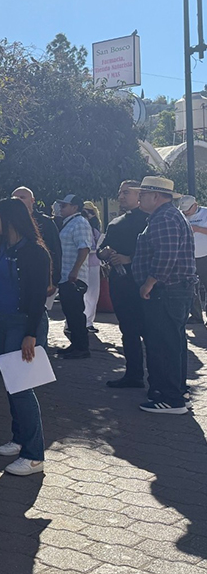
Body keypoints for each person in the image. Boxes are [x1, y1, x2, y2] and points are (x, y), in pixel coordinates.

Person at [0, 198, 50, 476]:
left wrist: (30, 334)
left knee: (22, 387)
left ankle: (34, 454)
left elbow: (38, 297)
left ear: (9, 218)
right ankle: (19, 437)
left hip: (21, 323)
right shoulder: (1, 246)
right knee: (11, 385)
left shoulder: (35, 252)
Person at [131, 177, 197, 414]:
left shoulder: (165, 218)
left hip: (166, 291)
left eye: (144, 193)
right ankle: (175, 392)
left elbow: (165, 256)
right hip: (174, 291)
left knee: (165, 344)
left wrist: (149, 283)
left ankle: (171, 399)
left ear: (156, 196)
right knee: (173, 343)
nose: (139, 197)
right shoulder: (169, 215)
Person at [98, 181, 149, 388]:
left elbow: (157, 251)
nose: (120, 196)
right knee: (128, 331)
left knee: (150, 332)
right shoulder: (115, 223)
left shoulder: (150, 220)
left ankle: (159, 378)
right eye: (119, 192)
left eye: (126, 192)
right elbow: (101, 249)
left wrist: (129, 258)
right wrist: (106, 253)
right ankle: (133, 374)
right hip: (120, 284)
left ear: (140, 195)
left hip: (144, 284)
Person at [53, 194, 93, 359]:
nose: (61, 209)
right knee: (70, 311)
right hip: (66, 275)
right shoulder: (69, 223)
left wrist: (75, 271)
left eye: (64, 206)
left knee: (76, 312)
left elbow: (84, 248)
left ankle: (82, 347)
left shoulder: (80, 223)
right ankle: (76, 344)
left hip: (73, 276)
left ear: (75, 207)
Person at [11, 187, 61, 317]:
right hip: (16, 280)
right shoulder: (9, 222)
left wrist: (54, 281)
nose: (18, 201)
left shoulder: (46, 222)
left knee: (38, 314)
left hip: (40, 278)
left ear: (32, 200)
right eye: (15, 198)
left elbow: (55, 251)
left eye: (22, 197)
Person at [178, 195, 207, 324]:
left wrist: (198, 229)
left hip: (205, 256)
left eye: (187, 210)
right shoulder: (180, 215)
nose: (185, 212)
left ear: (195, 205)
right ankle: (196, 316)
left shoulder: (205, 213)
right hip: (187, 257)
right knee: (190, 288)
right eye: (183, 210)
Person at [82, 201, 103, 330]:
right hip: (84, 262)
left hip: (94, 262)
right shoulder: (80, 225)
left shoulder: (94, 228)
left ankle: (88, 321)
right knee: (83, 294)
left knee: (93, 293)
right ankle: (81, 320)